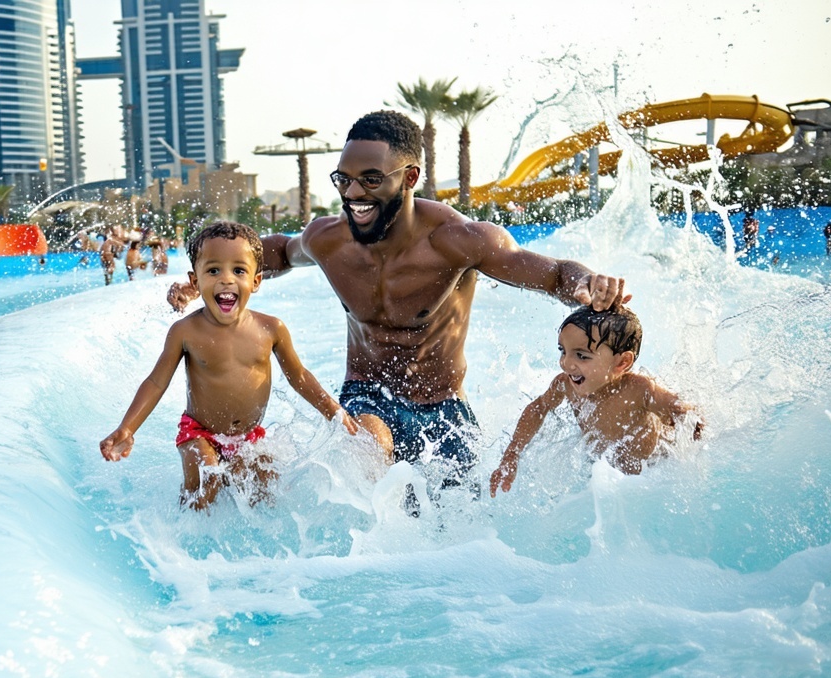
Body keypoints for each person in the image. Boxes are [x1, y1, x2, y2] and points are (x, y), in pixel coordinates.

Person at [166, 110, 627, 489]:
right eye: (343, 180)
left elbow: (551, 274)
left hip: (444, 405)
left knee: (458, 520)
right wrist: (213, 279)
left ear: (409, 177)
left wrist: (587, 285)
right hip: (368, 394)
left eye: (369, 179)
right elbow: (277, 251)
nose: (352, 194)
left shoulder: (459, 241)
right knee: (370, 446)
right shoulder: (330, 240)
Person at [101, 221, 358, 510]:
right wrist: (128, 428)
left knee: (268, 487)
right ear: (195, 281)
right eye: (213, 270)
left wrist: (334, 412)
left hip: (249, 437)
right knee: (206, 480)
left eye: (238, 270)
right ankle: (183, 541)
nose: (226, 280)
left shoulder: (271, 329)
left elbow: (299, 377)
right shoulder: (185, 331)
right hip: (199, 433)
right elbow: (156, 382)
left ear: (256, 281)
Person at [489, 305, 702, 495]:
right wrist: (512, 453)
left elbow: (687, 414)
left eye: (582, 356)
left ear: (621, 363)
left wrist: (692, 441)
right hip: (607, 475)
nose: (566, 364)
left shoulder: (639, 390)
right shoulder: (565, 385)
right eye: (563, 351)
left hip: (652, 473)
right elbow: (539, 408)